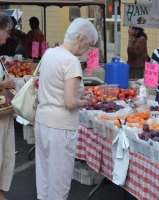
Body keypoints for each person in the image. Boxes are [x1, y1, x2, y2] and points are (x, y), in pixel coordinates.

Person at [35, 18, 98, 200]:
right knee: (59, 185)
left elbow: (56, 90)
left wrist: (78, 98)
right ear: (80, 38)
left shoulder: (49, 53)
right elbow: (70, 103)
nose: (87, 51)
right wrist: (84, 101)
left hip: (42, 121)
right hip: (60, 129)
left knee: (44, 181)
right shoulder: (71, 61)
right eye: (88, 45)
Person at [0, 13, 16, 200]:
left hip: (5, 113)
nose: (8, 36)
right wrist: (4, 85)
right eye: (7, 32)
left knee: (5, 156)